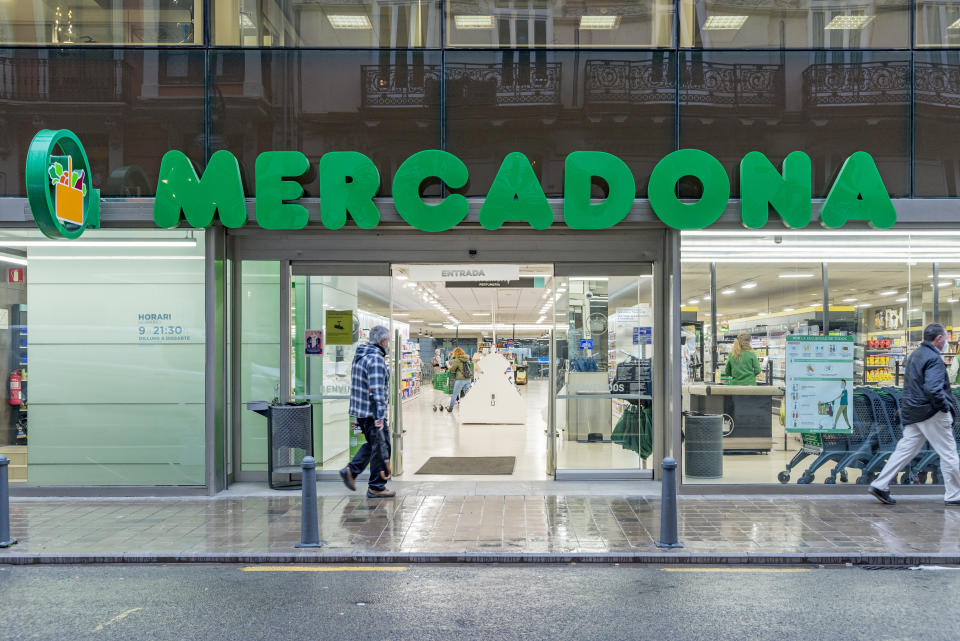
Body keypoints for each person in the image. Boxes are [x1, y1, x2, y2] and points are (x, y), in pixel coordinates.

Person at [869, 323, 960, 506]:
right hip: (931, 413)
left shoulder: (915, 355)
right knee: (949, 453)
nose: (947, 343)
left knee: (904, 451)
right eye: (946, 339)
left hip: (913, 412)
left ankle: (880, 484)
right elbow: (933, 389)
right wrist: (944, 407)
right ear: (939, 338)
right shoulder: (934, 359)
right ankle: (954, 495)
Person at [340, 325, 395, 498]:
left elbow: (358, 387)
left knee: (374, 445)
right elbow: (377, 389)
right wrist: (380, 415)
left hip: (361, 411)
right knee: (382, 446)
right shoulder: (376, 359)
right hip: (372, 413)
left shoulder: (360, 357)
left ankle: (352, 470)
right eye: (388, 341)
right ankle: (376, 487)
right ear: (383, 341)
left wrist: (357, 416)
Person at [446, 347, 473, 412]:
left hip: (460, 379)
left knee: (455, 394)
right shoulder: (466, 359)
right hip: (468, 378)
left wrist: (449, 366)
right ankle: (471, 407)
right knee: (468, 394)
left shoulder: (457, 359)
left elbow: (452, 369)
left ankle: (450, 408)